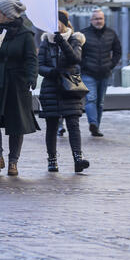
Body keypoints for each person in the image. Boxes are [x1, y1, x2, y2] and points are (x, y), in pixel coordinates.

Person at [0, 0, 39, 177]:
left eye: (0, 13)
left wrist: (31, 77)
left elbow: (31, 59)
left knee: (16, 123)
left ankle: (13, 162)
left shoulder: (25, 34)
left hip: (16, 83)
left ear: (10, 16)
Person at [38, 10, 90, 173]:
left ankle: (78, 159)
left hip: (70, 87)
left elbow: (75, 58)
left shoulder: (75, 39)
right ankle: (52, 160)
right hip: (51, 88)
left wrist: (61, 41)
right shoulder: (46, 40)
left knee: (73, 124)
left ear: (64, 23)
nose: (55, 25)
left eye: (58, 22)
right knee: (52, 125)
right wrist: (51, 72)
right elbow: (40, 66)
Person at [79, 8, 121, 138]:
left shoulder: (111, 33)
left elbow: (117, 51)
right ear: (91, 20)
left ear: (104, 19)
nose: (98, 21)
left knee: (100, 102)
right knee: (91, 99)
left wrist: (111, 65)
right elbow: (77, 52)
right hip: (88, 73)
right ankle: (93, 123)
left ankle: (96, 126)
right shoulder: (83, 34)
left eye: (100, 18)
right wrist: (83, 65)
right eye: (96, 19)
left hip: (104, 73)